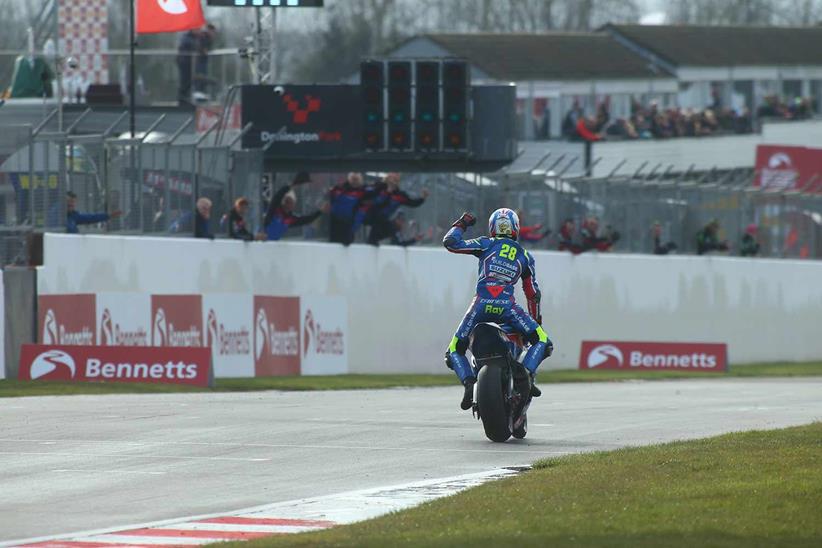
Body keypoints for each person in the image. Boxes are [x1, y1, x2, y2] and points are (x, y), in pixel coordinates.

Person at [442, 208, 553, 411]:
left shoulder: (486, 243)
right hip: (507, 307)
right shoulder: (525, 255)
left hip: (480, 305)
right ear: (516, 228)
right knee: (543, 341)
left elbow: (450, 243)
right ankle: (525, 376)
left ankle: (468, 384)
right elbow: (532, 294)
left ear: (493, 228)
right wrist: (535, 322)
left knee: (453, 351)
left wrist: (462, 223)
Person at [260, 172, 328, 241]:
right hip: (261, 242)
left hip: (272, 245)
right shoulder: (275, 210)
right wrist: (291, 185)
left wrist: (320, 211)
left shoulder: (291, 218)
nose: (287, 203)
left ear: (293, 204)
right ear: (283, 201)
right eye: (286, 200)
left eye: (290, 202)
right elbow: (278, 196)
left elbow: (307, 219)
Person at [366, 173, 428, 246]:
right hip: (369, 215)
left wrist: (422, 198)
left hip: (382, 220)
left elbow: (412, 203)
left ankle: (372, 241)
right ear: (388, 177)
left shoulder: (399, 195)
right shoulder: (378, 187)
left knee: (388, 226)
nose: (395, 177)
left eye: (397, 176)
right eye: (393, 175)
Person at [328, 172, 369, 245]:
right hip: (335, 224)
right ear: (349, 179)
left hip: (349, 225)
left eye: (356, 179)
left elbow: (361, 213)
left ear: (360, 180)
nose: (354, 181)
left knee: (346, 246)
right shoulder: (339, 189)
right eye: (353, 179)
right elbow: (330, 203)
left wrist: (352, 229)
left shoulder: (364, 192)